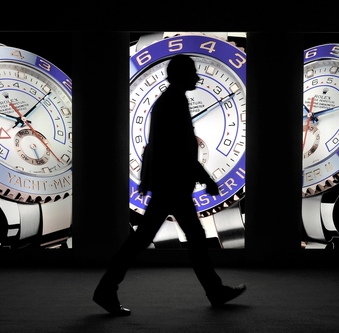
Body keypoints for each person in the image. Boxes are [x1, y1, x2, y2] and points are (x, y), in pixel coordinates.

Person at [93, 54, 246, 316]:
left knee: (145, 240)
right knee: (184, 238)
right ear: (182, 76)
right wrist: (206, 178)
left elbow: (155, 146)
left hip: (168, 184)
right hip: (174, 185)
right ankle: (214, 291)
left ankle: (107, 289)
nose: (197, 77)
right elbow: (179, 149)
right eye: (192, 73)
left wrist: (145, 179)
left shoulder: (168, 101)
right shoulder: (174, 102)